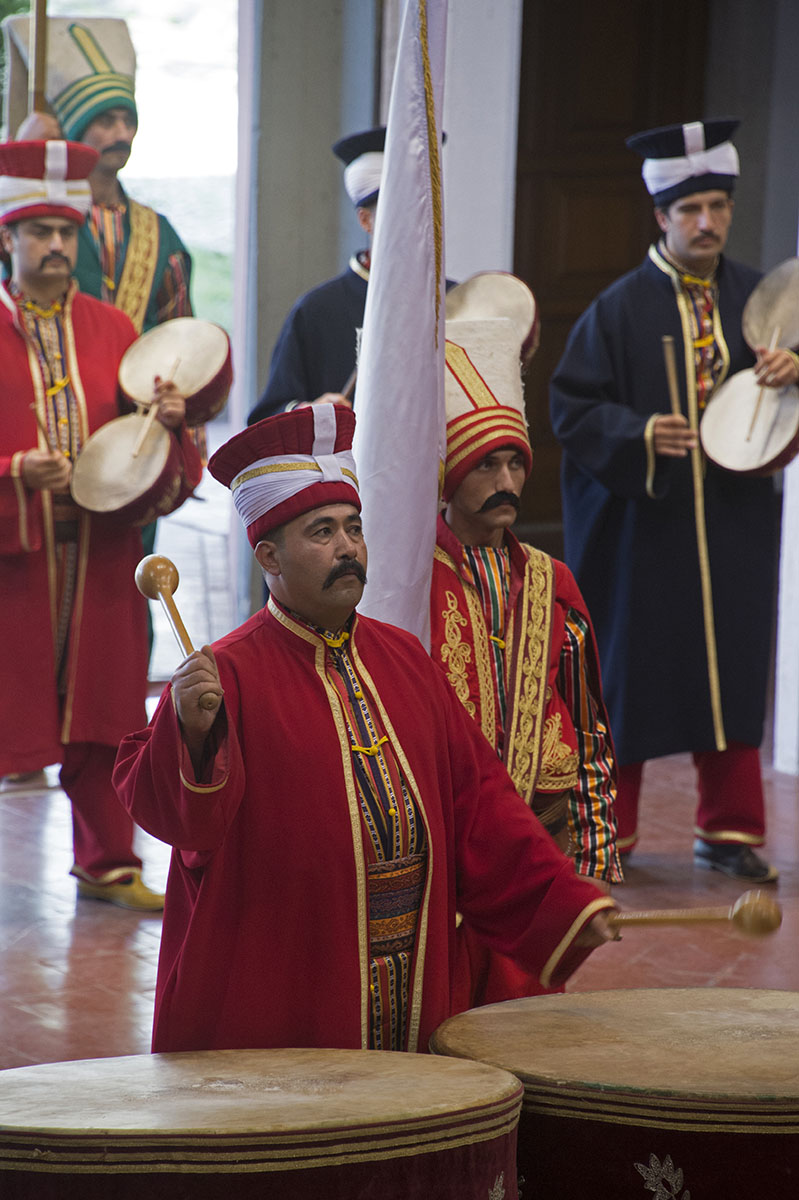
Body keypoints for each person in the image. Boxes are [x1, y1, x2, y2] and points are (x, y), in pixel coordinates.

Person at [113, 404, 618, 1054]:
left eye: (353, 528)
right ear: (268, 553)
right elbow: (185, 826)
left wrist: (563, 901)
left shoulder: (404, 658)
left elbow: (481, 804)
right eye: (322, 532)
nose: (348, 547)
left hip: (415, 965)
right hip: (292, 980)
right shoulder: (226, 675)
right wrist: (191, 728)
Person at [549, 119, 796, 884]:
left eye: (718, 206)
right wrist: (638, 432)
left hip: (733, 521)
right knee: (631, 674)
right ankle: (609, 835)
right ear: (660, 216)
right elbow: (570, 409)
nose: (707, 223)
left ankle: (728, 831)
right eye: (690, 210)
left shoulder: (760, 299)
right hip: (644, 529)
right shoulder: (616, 310)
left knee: (729, 668)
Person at [0, 138, 202, 908]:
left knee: (106, 709)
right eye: (39, 233)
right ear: (7, 240)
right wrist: (17, 474)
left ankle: (109, 859)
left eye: (67, 233)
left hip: (99, 556)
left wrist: (169, 426)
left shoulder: (115, 328)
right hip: (12, 560)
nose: (56, 247)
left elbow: (149, 460)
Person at [430, 310, 622, 1010]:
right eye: (486, 464)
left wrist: (592, 859)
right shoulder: (407, 583)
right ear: (449, 476)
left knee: (523, 1028)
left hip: (536, 846)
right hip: (446, 856)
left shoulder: (552, 581)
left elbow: (588, 720)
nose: (506, 479)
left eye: (515, 462)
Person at [247, 127, 385, 423]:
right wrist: (307, 413)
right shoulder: (318, 309)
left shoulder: (453, 301)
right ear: (365, 219)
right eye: (392, 212)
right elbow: (267, 416)